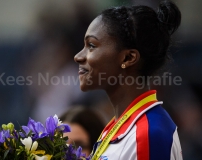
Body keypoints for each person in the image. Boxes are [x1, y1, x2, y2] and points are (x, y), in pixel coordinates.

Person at [74, 0, 182, 159]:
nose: (78, 57)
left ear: (128, 58)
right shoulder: (117, 127)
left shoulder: (148, 134)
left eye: (91, 45)